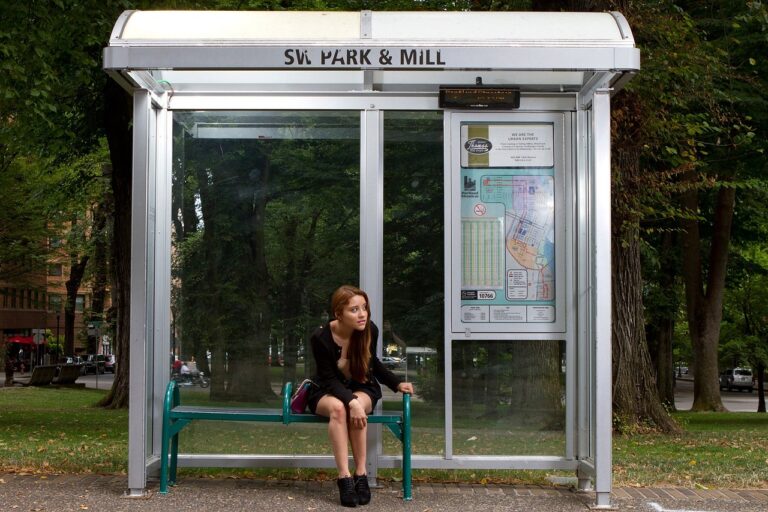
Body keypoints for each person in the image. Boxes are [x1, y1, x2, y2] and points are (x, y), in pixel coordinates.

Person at [306, 285, 414, 507]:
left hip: (362, 385)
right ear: (339, 314)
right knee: (339, 408)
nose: (362, 314)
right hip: (327, 389)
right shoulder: (321, 337)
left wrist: (396, 383)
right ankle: (344, 477)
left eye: (364, 307)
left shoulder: (369, 330)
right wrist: (351, 402)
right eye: (354, 310)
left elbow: (372, 363)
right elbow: (329, 379)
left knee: (356, 408)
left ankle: (361, 474)